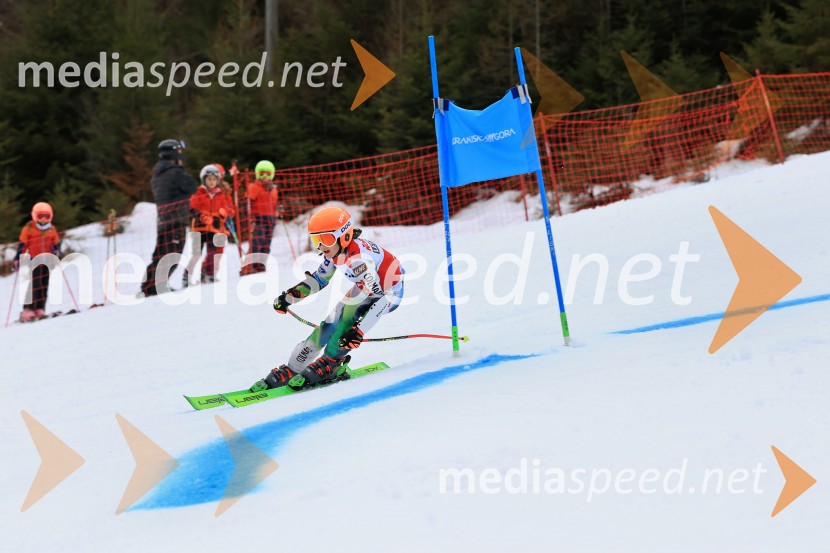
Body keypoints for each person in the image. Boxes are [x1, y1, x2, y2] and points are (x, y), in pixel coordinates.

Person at [251, 206, 404, 391]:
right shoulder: (335, 252)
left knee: (345, 324)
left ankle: (332, 362)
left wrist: (358, 333)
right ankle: (293, 368)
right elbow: (318, 280)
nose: (321, 246)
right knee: (328, 324)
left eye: (326, 239)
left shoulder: (360, 260)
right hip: (365, 288)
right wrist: (289, 298)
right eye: (317, 239)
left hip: (388, 293)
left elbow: (381, 300)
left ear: (344, 236)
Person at [140, 139, 198, 296]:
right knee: (172, 256)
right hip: (176, 220)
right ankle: (155, 288)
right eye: (179, 151)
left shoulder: (157, 174)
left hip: (164, 221)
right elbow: (192, 186)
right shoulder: (175, 173)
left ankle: (148, 286)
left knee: (160, 255)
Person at [183, 165, 235, 285]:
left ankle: (209, 274)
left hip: (213, 229)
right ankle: (186, 275)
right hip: (199, 228)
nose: (211, 182)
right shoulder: (199, 192)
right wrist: (201, 216)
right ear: (204, 180)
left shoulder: (220, 194)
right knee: (196, 254)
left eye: (213, 179)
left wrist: (224, 213)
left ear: (217, 181)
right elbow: (191, 208)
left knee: (212, 252)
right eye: (209, 179)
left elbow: (225, 209)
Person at [15, 202, 60, 322]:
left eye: (46, 216)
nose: (44, 219)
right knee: (34, 285)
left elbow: (55, 242)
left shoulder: (51, 229)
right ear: (35, 216)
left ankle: (40, 308)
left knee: (44, 285)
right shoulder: (29, 228)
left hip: (48, 261)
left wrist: (56, 249)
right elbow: (22, 245)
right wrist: (17, 257)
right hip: (34, 260)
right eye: (40, 216)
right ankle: (27, 309)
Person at [241, 160, 278, 275]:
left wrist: (278, 210)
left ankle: (260, 266)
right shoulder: (254, 186)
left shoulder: (273, 189)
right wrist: (247, 213)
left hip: (270, 219)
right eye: (262, 173)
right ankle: (248, 266)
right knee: (258, 242)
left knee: (267, 243)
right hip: (259, 218)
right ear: (257, 174)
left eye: (267, 173)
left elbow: (274, 203)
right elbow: (248, 202)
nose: (264, 176)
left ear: (271, 174)